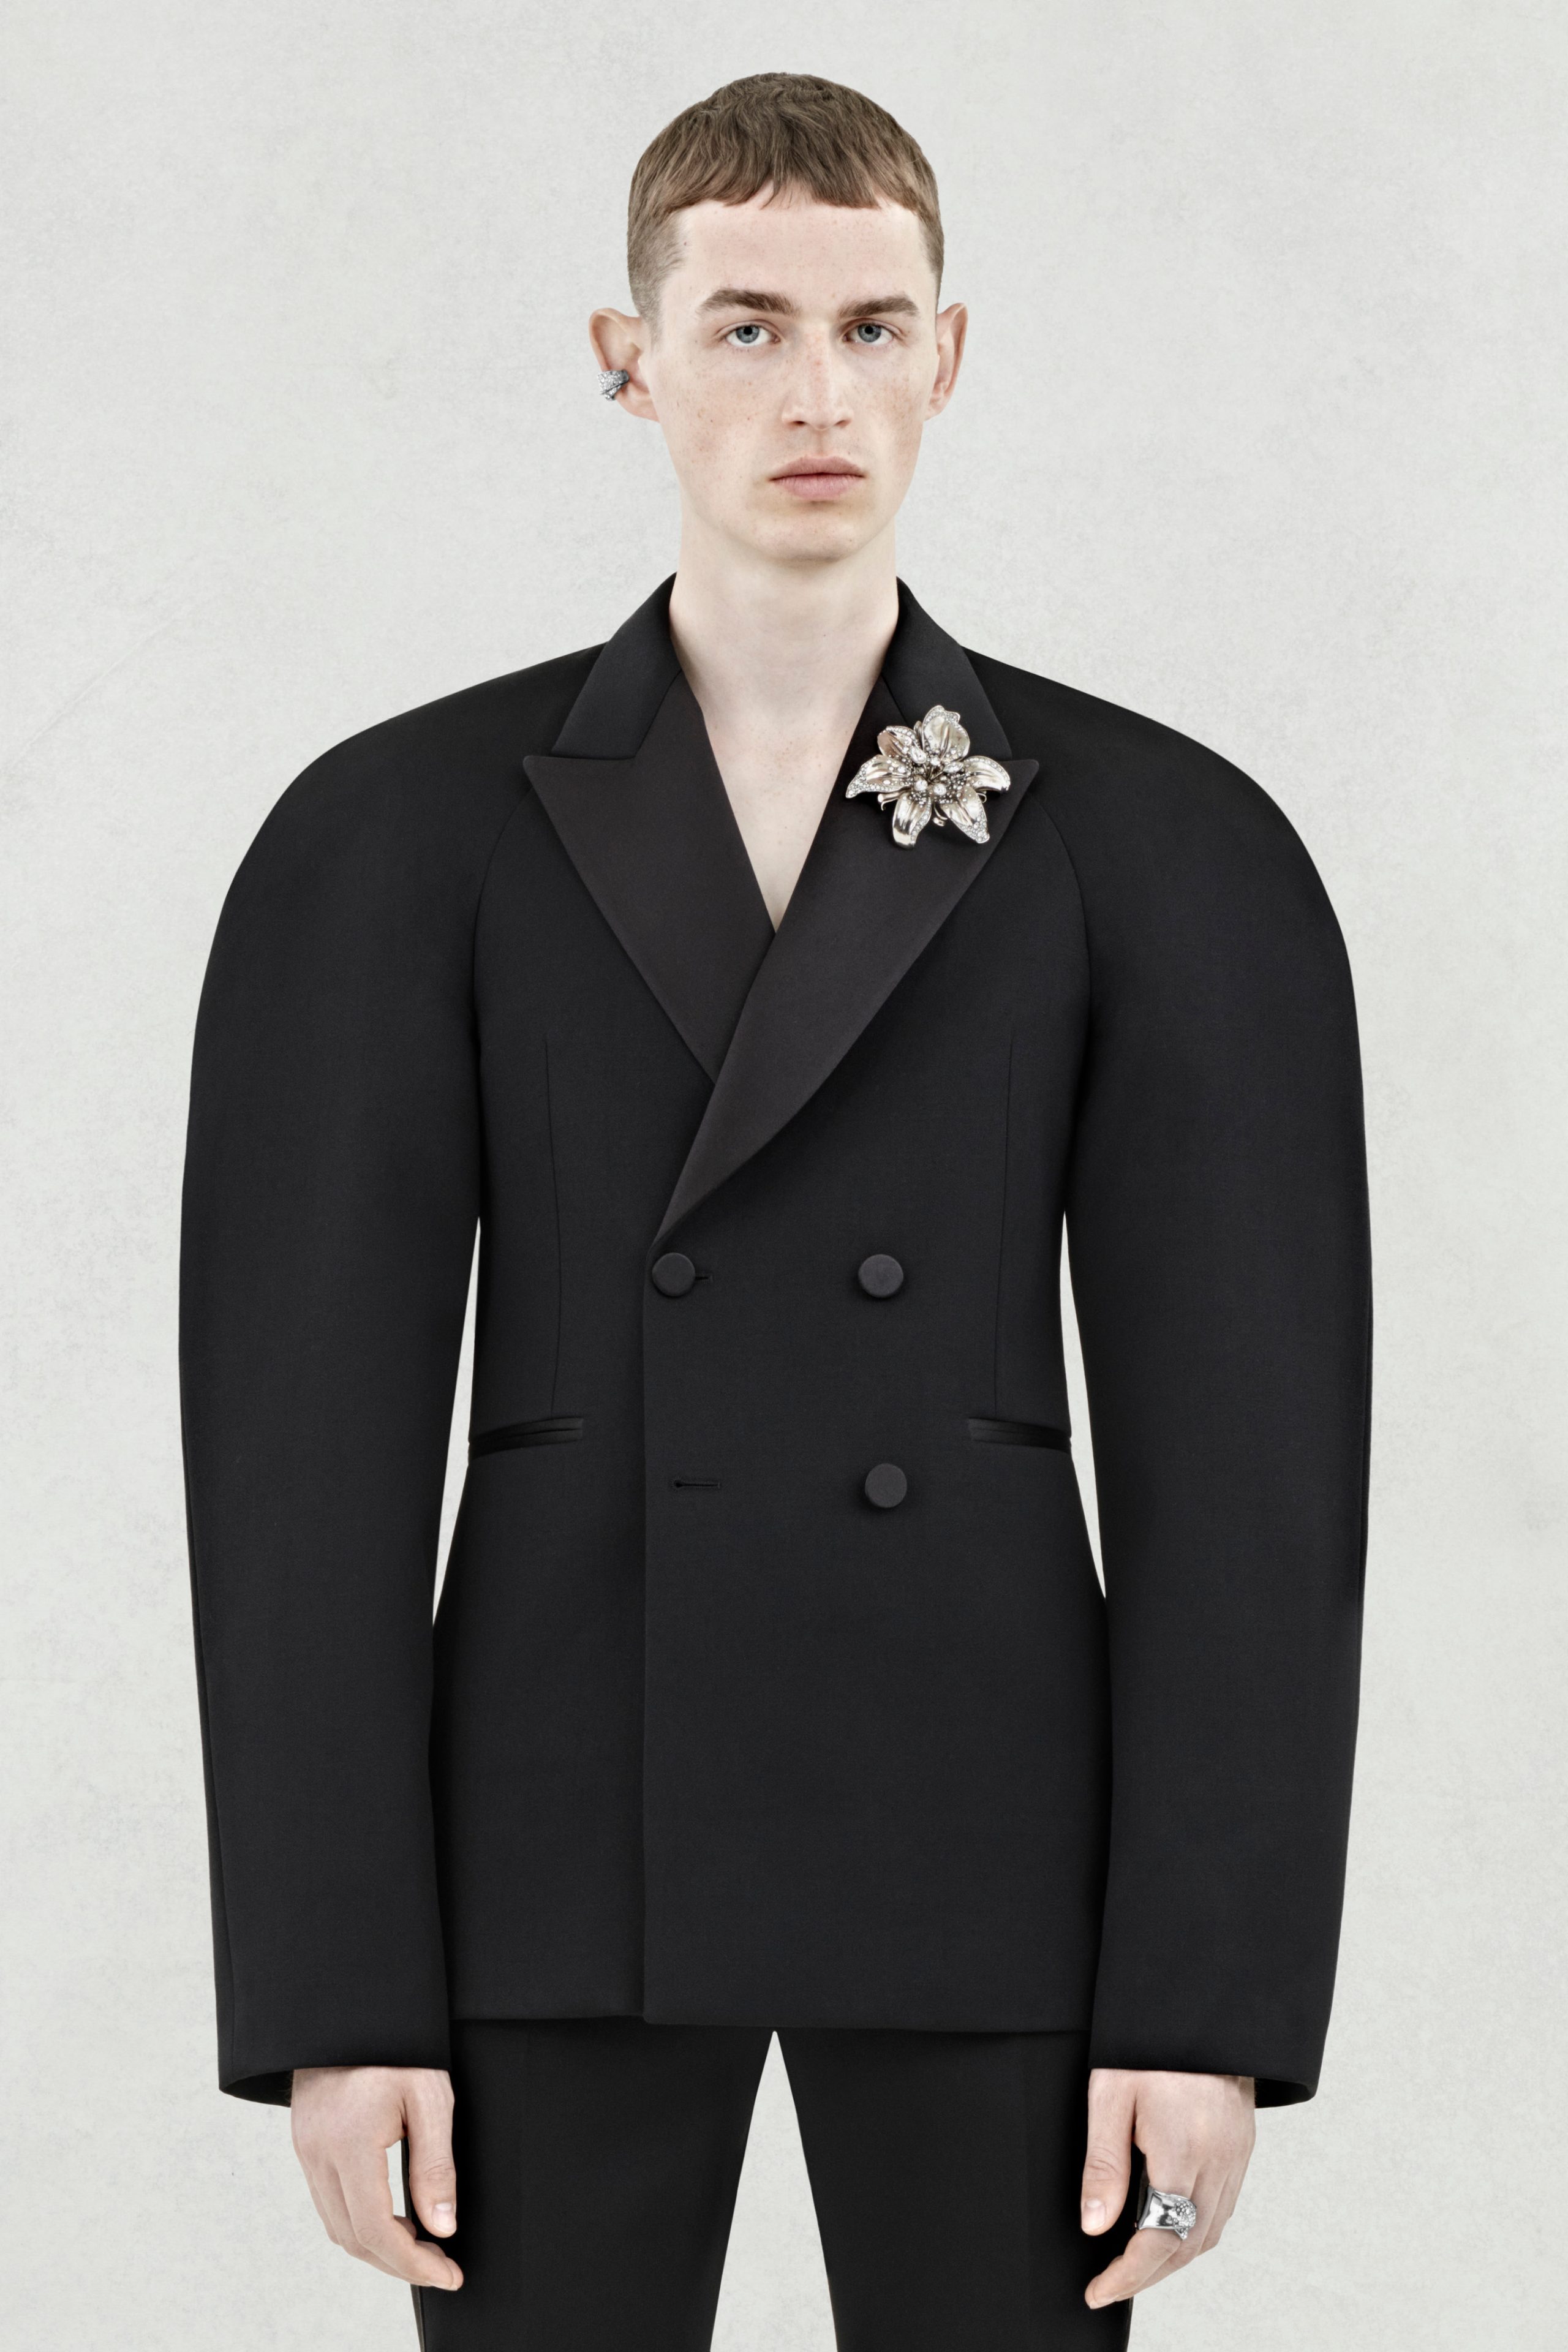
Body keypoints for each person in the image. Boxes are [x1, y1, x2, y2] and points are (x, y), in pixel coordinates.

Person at [179, 70, 1371, 2350]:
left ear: (949, 354)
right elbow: (299, 1463)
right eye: (745, 326)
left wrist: (1205, 1998)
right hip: (551, 1849)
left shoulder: (1169, 843)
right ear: (627, 360)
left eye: (868, 326)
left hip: (998, 1851)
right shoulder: (394, 834)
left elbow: (1253, 1469)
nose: (815, 392)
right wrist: (338, 1998)